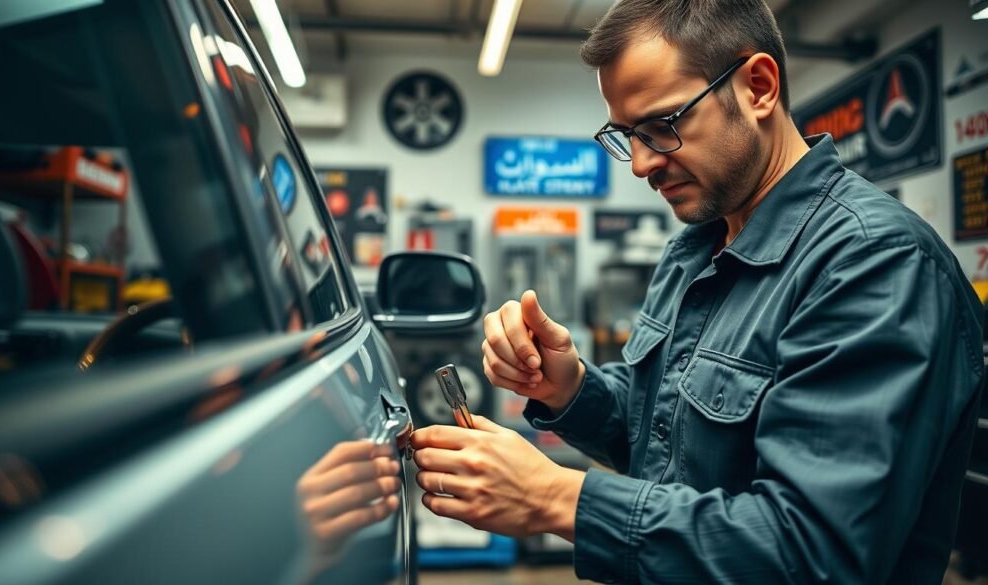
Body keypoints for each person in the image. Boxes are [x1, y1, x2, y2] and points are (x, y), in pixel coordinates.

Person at [409, 0, 985, 582]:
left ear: (758, 87)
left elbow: (814, 554)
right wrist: (569, 388)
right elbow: (661, 449)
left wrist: (556, 499)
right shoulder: (696, 249)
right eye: (626, 135)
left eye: (662, 126)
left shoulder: (872, 265)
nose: (639, 164)